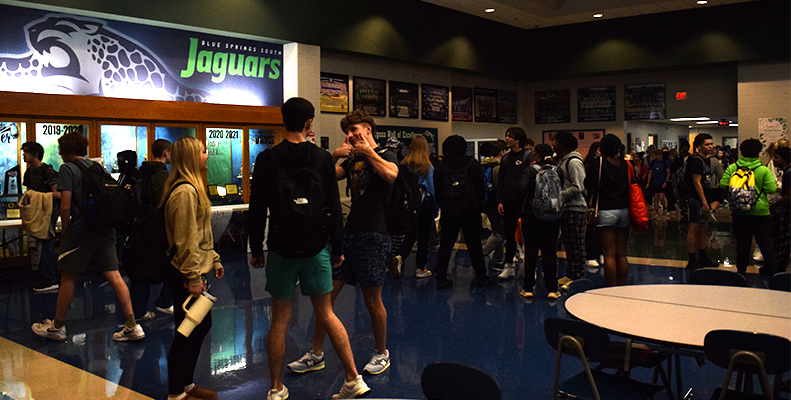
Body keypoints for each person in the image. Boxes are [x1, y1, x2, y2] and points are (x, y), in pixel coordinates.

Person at [249, 98, 369, 400]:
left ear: (283, 121)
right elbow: (332, 205)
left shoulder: (267, 159)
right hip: (317, 247)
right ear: (309, 123)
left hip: (281, 248)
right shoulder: (321, 159)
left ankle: (276, 388)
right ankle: (353, 378)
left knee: (280, 319)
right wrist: (337, 245)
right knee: (327, 313)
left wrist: (256, 248)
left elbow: (257, 208)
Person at [290, 110, 397, 377]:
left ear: (369, 129)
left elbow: (391, 175)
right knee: (325, 298)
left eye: (355, 130)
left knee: (373, 300)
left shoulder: (385, 153)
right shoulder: (351, 161)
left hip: (374, 235)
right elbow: (322, 176)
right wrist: (335, 155)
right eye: (347, 132)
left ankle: (382, 352)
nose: (350, 135)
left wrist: (367, 152)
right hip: (349, 236)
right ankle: (316, 353)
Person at [31, 132, 144, 342]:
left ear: (66, 150)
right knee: (115, 275)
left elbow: (65, 205)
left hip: (81, 229)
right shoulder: (96, 167)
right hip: (105, 228)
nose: (59, 152)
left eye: (60, 148)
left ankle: (57, 326)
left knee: (68, 275)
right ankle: (132, 325)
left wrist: (65, 232)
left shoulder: (67, 168)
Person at [162, 137, 224, 400]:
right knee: (187, 330)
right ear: (190, 157)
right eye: (202, 151)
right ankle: (176, 391)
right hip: (186, 272)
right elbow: (185, 237)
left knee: (198, 325)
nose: (206, 154)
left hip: (195, 268)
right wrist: (193, 275)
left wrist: (215, 259)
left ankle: (186, 384)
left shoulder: (192, 188)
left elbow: (201, 233)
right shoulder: (185, 191)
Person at [433, 135, 495, 289]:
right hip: (470, 210)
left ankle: (441, 277)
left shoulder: (441, 166)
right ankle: (481, 276)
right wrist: (477, 206)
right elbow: (481, 188)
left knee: (446, 245)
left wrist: (444, 206)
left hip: (449, 211)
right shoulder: (472, 164)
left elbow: (438, 191)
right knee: (474, 245)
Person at [128, 139, 174, 321]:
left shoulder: (142, 173)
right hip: (156, 227)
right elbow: (164, 204)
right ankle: (164, 300)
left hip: (140, 226)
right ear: (165, 153)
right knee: (171, 265)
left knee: (141, 271)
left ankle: (138, 310)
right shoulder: (162, 176)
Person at [720, 139, 778, 276]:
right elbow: (771, 189)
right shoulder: (762, 170)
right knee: (765, 242)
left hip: (739, 212)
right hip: (761, 212)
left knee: (742, 243)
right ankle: (773, 270)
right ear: (758, 153)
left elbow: (723, 184)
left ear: (741, 151)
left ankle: (741, 271)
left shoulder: (733, 168)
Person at [517, 144, 563, 299]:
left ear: (536, 155)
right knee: (550, 252)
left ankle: (528, 288)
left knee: (530, 252)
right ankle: (552, 289)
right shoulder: (558, 171)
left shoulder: (530, 170)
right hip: (552, 216)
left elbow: (521, 189)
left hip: (531, 216)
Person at [584, 134, 631, 286]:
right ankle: (622, 286)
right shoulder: (624, 164)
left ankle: (611, 288)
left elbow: (588, 183)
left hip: (605, 209)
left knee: (609, 254)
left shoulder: (599, 162)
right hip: (624, 209)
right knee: (622, 253)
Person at [21, 142, 60, 292]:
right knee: (36, 244)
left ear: (35, 153)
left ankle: (50, 279)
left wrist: (38, 197)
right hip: (34, 213)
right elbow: (27, 195)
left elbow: (57, 193)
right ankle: (40, 276)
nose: (23, 154)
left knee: (46, 244)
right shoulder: (28, 172)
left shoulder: (48, 171)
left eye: (26, 151)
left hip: (48, 212)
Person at [497, 127, 536, 279]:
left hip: (525, 204)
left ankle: (530, 270)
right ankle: (509, 266)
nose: (506, 138)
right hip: (508, 203)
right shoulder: (506, 158)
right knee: (509, 235)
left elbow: (533, 179)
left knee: (529, 237)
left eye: (509, 136)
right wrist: (500, 200)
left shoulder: (527, 156)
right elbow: (501, 181)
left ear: (518, 139)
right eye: (506, 135)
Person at [552, 131, 587, 291]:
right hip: (565, 208)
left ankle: (578, 276)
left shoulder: (573, 162)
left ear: (563, 144)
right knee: (569, 244)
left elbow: (578, 186)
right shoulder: (561, 161)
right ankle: (570, 274)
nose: (553, 144)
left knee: (576, 245)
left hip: (575, 208)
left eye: (555, 141)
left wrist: (559, 196)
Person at [399, 135, 438, 279]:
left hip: (408, 205)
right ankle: (420, 268)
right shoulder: (428, 166)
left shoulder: (403, 165)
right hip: (424, 205)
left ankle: (400, 257)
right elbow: (432, 189)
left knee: (410, 235)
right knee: (424, 238)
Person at [684, 133, 718, 270]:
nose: (710, 146)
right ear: (699, 146)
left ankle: (703, 255)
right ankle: (692, 259)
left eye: (711, 144)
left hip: (705, 197)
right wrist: (704, 202)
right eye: (707, 144)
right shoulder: (696, 161)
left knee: (703, 228)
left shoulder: (706, 160)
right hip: (696, 198)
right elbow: (696, 182)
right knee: (694, 228)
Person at [481, 140, 507, 272]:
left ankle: (499, 261)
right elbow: (499, 189)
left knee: (497, 232)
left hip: (486, 203)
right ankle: (481, 254)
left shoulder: (484, 165)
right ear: (502, 152)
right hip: (496, 205)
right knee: (500, 234)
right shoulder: (498, 168)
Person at [769, 147, 791, 271]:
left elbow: (789, 195)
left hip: (787, 211)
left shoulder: (788, 173)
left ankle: (780, 266)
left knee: (782, 239)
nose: (773, 160)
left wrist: (774, 205)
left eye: (776, 157)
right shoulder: (786, 172)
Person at [583, 142, 603, 268]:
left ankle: (600, 252)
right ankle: (591, 254)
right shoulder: (593, 164)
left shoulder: (608, 163)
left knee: (602, 229)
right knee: (592, 227)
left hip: (604, 201)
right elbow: (588, 183)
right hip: (594, 200)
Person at [646, 148, 671, 219]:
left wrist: (666, 181)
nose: (658, 157)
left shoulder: (665, 162)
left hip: (662, 181)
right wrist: (648, 183)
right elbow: (650, 173)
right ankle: (656, 211)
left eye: (659, 155)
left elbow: (668, 172)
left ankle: (664, 207)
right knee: (656, 197)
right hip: (655, 182)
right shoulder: (653, 162)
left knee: (661, 197)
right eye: (656, 155)